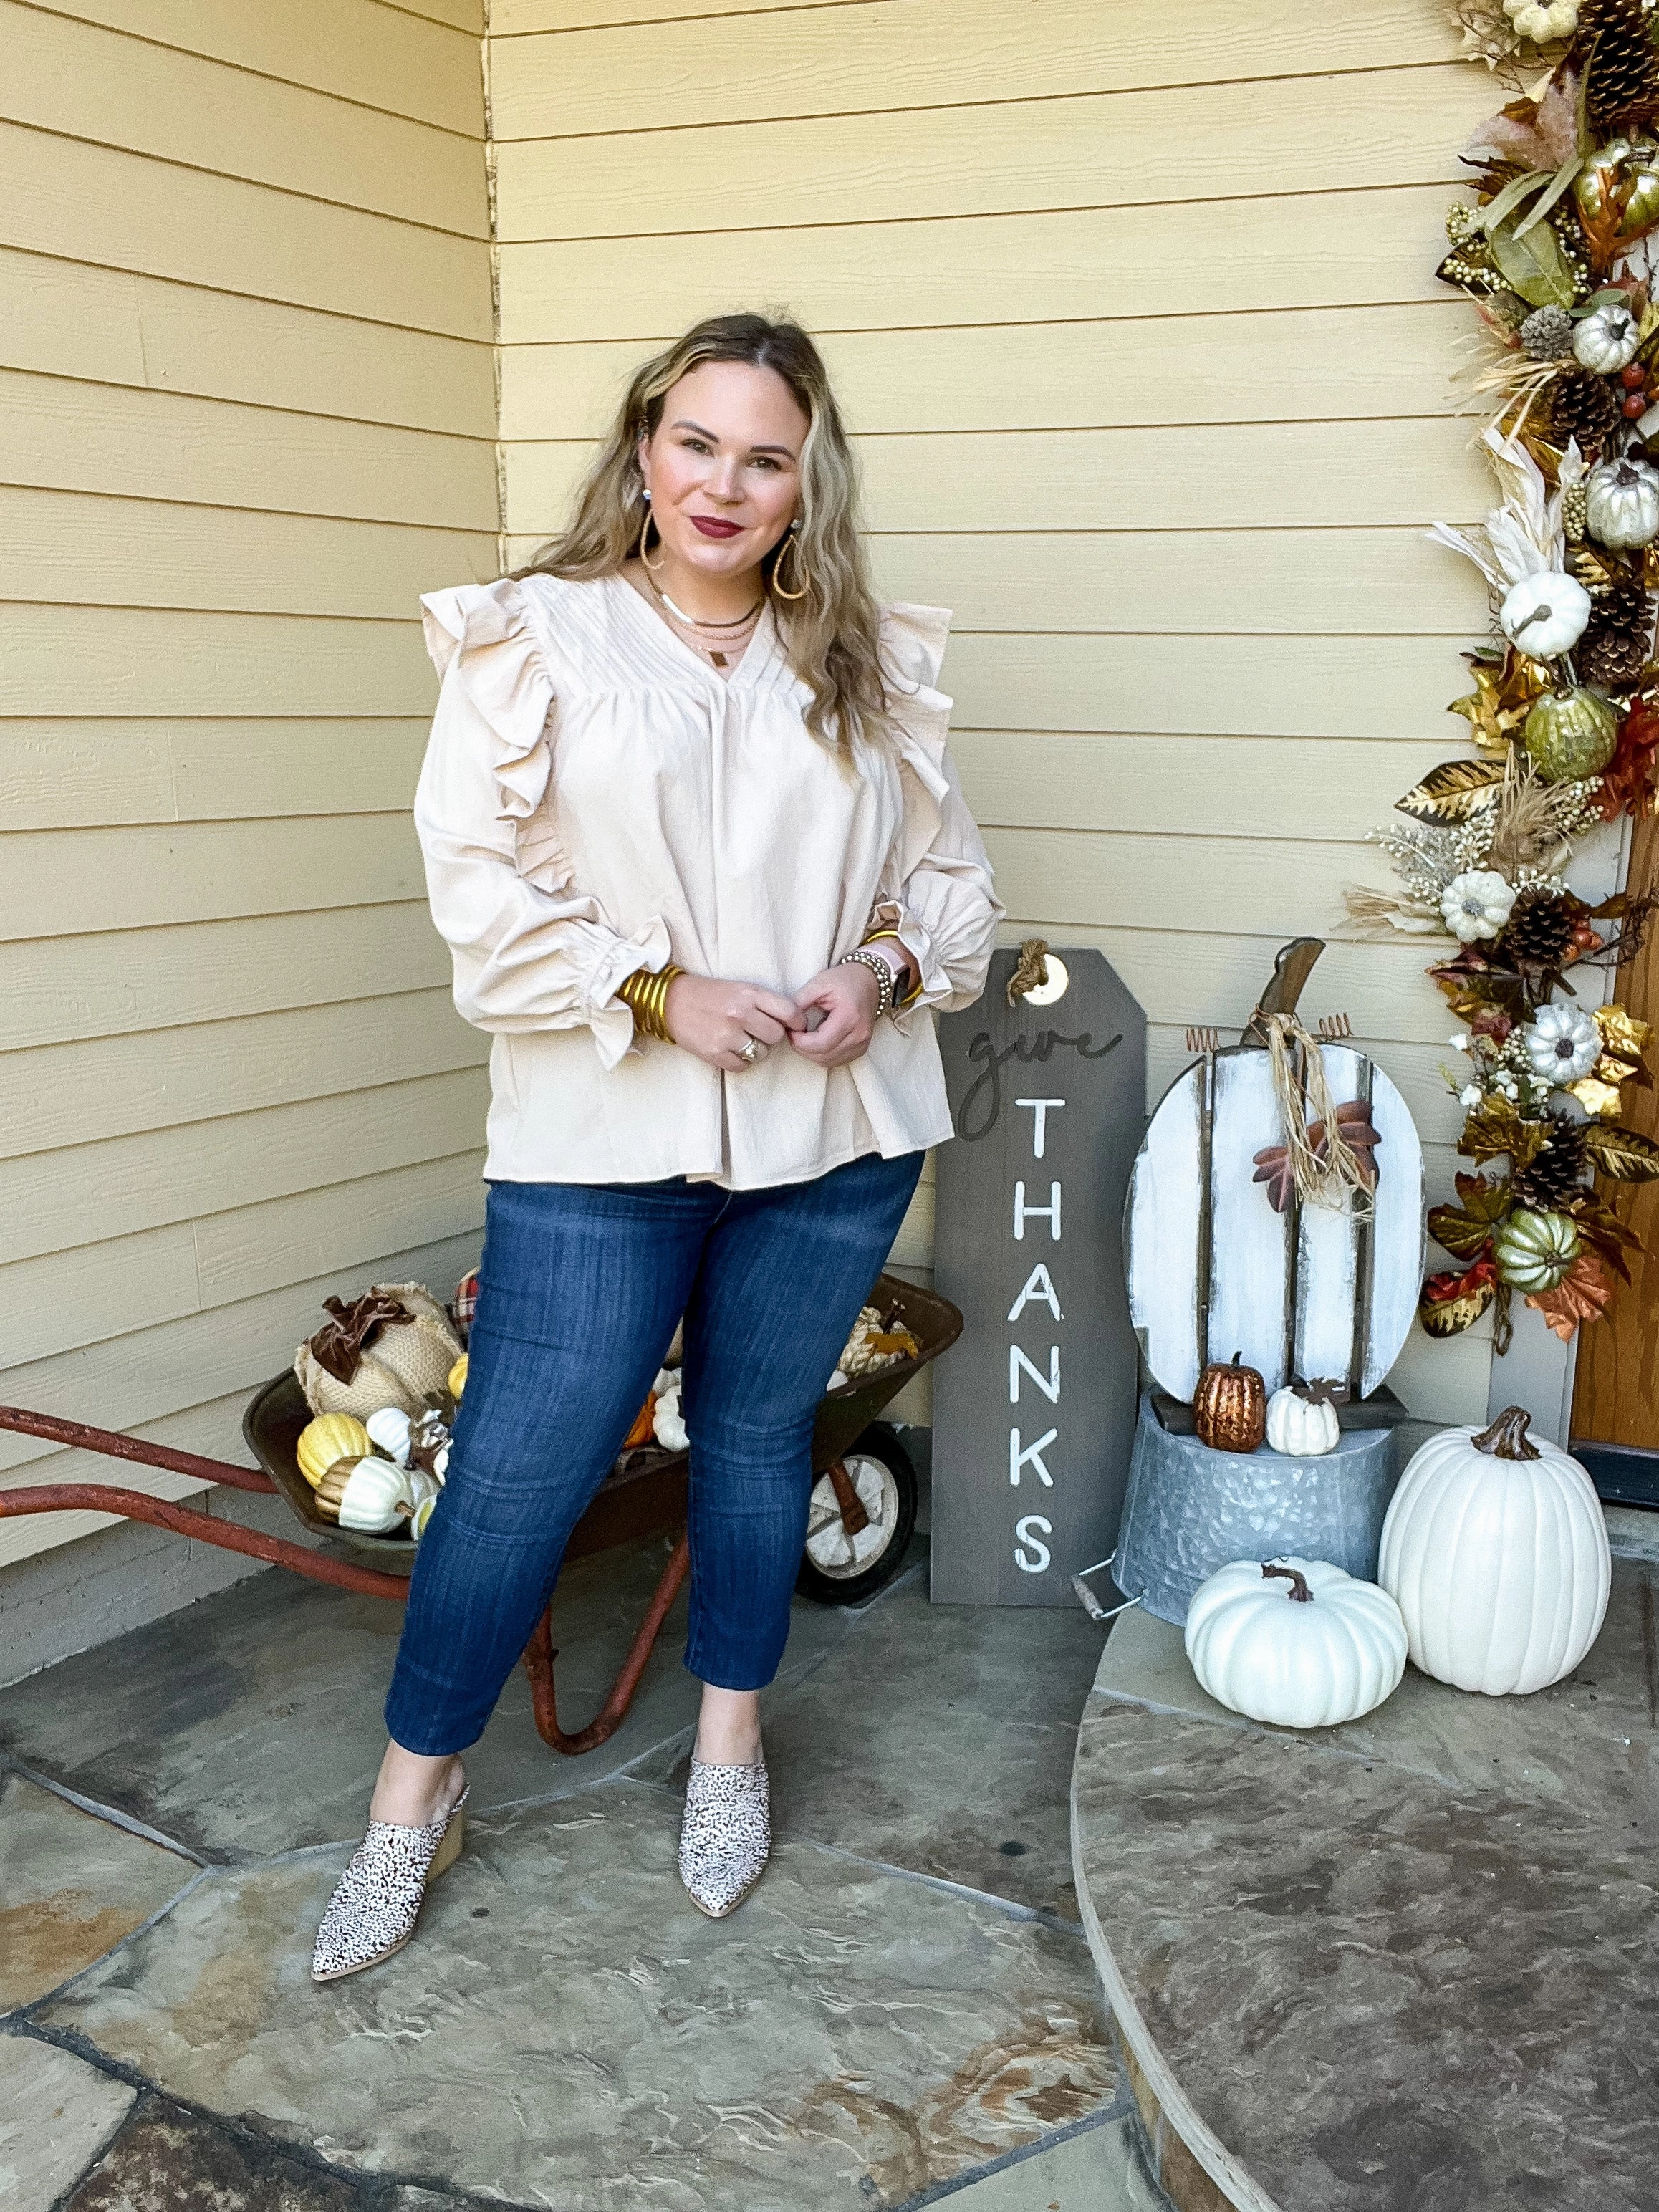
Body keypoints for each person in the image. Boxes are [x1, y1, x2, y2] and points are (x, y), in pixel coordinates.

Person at [312, 312, 1001, 1981]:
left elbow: (956, 898)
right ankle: (412, 1802)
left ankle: (729, 1752)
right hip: (597, 1136)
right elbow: (477, 895)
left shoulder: (861, 663)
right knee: (518, 1474)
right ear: (644, 448)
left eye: (765, 457)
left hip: (831, 1135)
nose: (725, 482)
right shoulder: (533, 639)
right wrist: (651, 988)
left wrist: (877, 969)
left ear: (801, 483)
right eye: (698, 443)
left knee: (758, 1443)